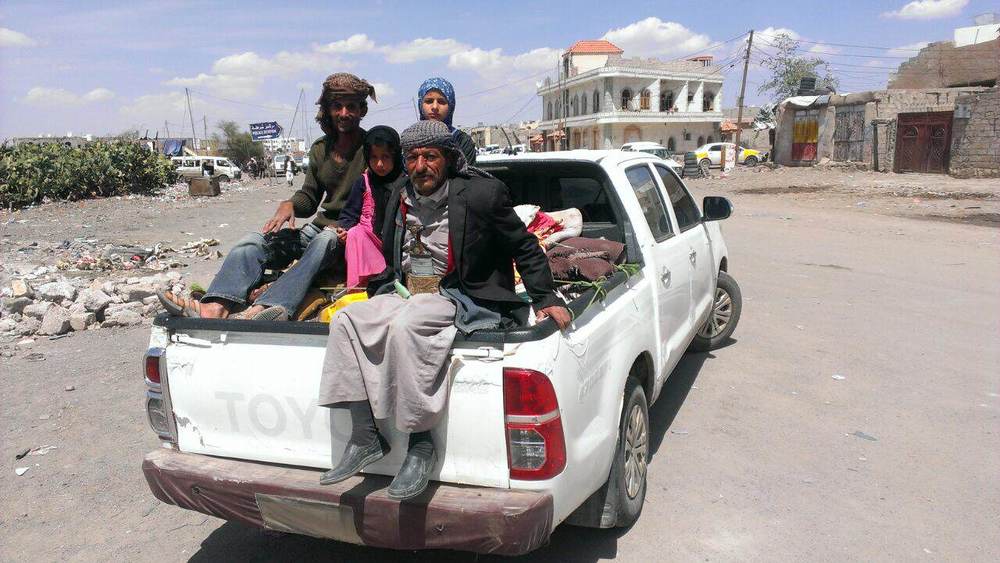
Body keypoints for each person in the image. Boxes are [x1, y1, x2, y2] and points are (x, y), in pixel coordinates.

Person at [316, 120, 571, 500]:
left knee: (408, 324)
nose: (421, 166)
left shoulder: (482, 194)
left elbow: (525, 246)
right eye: (414, 157)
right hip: (406, 290)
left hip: (458, 293)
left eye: (430, 156)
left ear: (448, 159)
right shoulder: (401, 193)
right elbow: (390, 248)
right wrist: (382, 285)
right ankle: (365, 435)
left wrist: (546, 298)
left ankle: (420, 444)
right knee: (347, 320)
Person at [157, 73, 377, 320]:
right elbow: (311, 197)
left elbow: (381, 197)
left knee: (325, 240)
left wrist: (351, 227)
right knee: (253, 242)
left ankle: (269, 307)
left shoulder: (373, 148)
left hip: (350, 236)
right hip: (319, 231)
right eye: (337, 106)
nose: (344, 113)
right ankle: (215, 306)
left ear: (362, 110)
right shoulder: (319, 149)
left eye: (351, 107)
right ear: (328, 109)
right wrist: (290, 204)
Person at [336, 125, 402, 288]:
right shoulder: (363, 181)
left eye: (385, 157)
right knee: (355, 233)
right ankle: (361, 285)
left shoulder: (404, 182)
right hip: (368, 241)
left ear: (395, 156)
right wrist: (344, 229)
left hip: (394, 243)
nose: (379, 164)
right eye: (374, 157)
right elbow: (349, 213)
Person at [417, 77, 478, 166]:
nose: (435, 107)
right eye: (429, 101)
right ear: (420, 105)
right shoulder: (412, 140)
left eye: (441, 102)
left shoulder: (461, 140)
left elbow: (468, 175)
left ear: (451, 106)